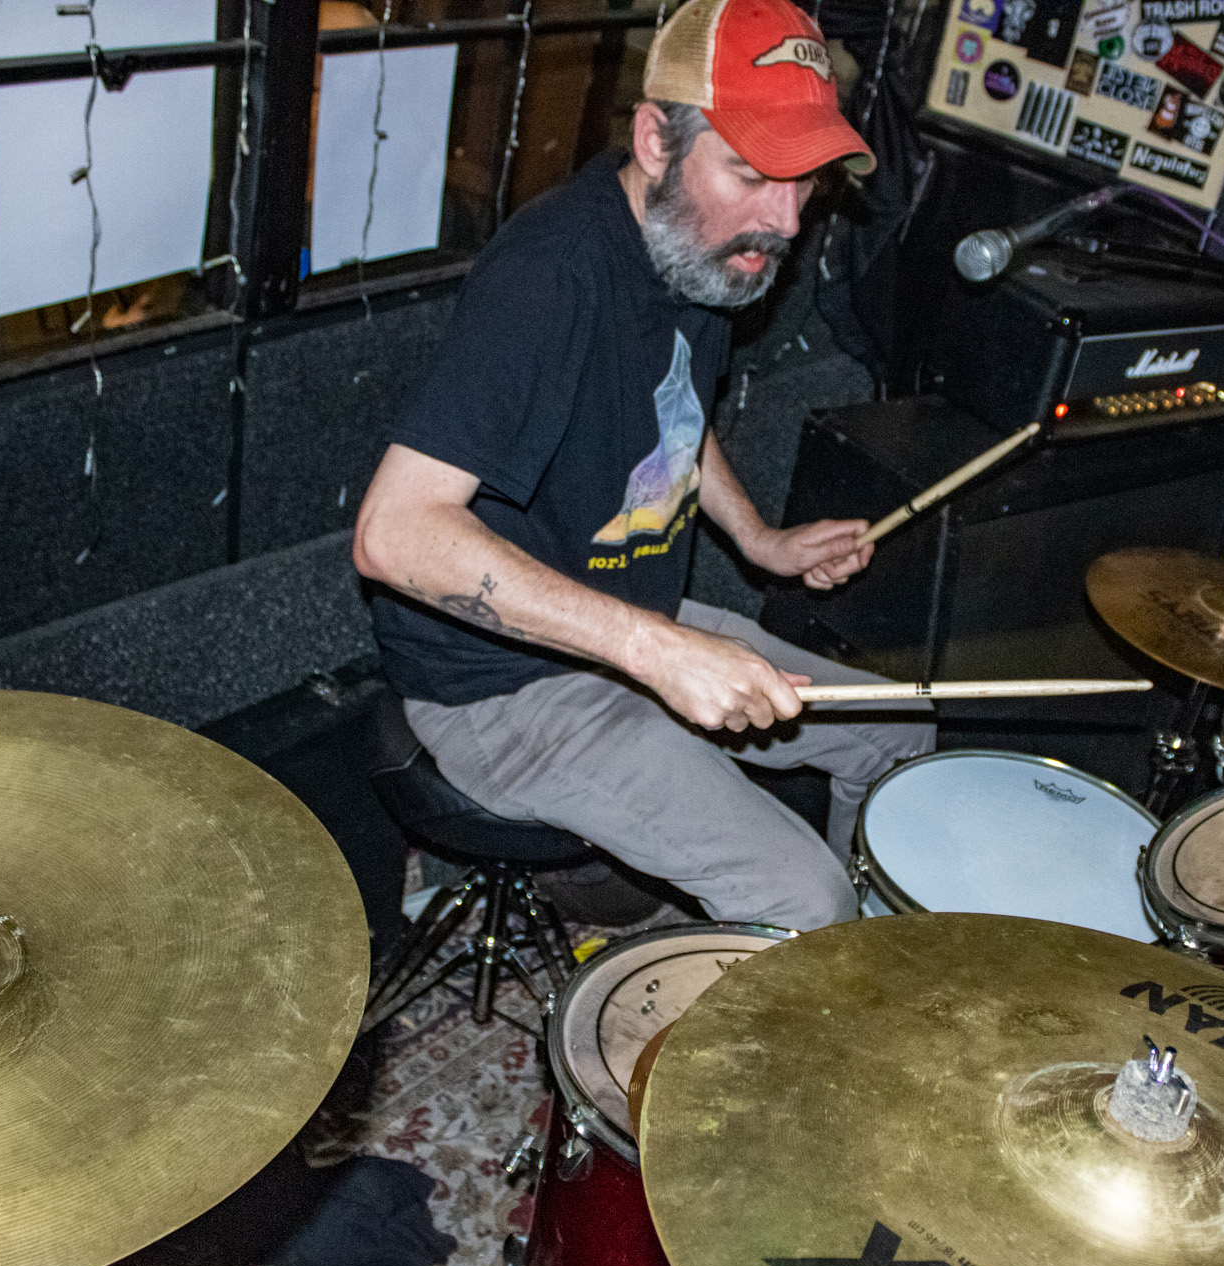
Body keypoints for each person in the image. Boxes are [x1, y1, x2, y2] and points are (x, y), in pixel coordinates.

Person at [352, 0, 933, 933]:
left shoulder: (703, 244)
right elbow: (393, 533)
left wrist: (760, 540)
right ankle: (806, 975)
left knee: (901, 730)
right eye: (754, 173)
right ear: (656, 139)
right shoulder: (552, 275)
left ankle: (863, 970)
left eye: (808, 183)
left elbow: (677, 411)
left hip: (629, 612)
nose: (785, 220)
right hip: (500, 685)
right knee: (805, 895)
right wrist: (656, 650)